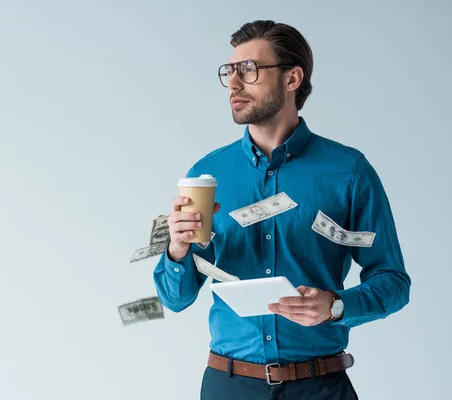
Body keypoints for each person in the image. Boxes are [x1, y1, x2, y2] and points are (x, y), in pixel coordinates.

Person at [152, 20, 411, 400]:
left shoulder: (349, 171)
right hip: (229, 386)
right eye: (229, 72)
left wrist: (336, 305)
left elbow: (393, 281)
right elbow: (175, 300)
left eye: (249, 70)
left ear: (292, 79)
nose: (234, 85)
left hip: (320, 386)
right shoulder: (207, 176)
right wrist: (177, 250)